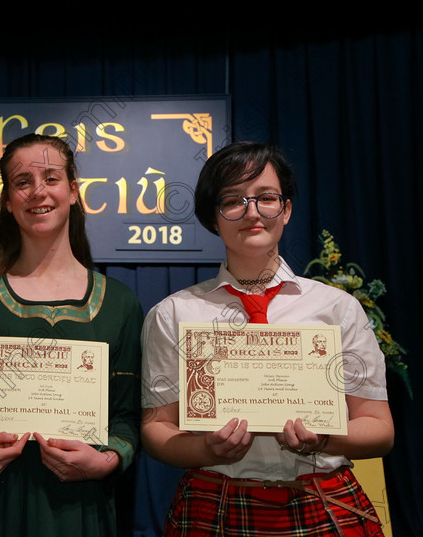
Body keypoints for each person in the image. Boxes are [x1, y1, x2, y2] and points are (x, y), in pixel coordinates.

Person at [140, 141, 394, 536]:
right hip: (215, 502)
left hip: (323, 501)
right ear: (213, 217)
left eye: (267, 198)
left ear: (287, 210)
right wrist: (204, 449)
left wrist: (325, 437)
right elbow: (157, 428)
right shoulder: (174, 313)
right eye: (233, 201)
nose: (252, 212)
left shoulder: (337, 307)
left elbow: (379, 428)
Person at [0, 133, 143, 536]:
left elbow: (126, 416)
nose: (38, 192)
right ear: (6, 200)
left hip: (77, 512)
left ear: (73, 191)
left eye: (51, 178)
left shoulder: (119, 303)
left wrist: (106, 462)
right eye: (23, 182)